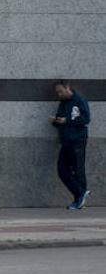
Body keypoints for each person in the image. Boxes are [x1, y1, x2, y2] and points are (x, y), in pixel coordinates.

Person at [52, 80, 91, 210]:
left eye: (60, 91)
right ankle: (81, 194)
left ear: (67, 88)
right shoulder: (63, 103)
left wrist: (67, 121)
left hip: (78, 139)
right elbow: (60, 120)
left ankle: (79, 199)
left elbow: (86, 119)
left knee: (78, 168)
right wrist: (56, 121)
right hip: (66, 140)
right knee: (62, 169)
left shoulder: (79, 100)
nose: (59, 94)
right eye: (57, 93)